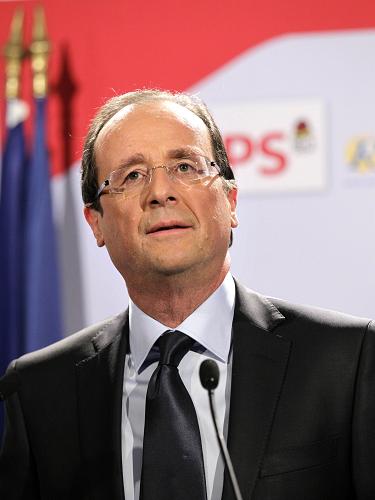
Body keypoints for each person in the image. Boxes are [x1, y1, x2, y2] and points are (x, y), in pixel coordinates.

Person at [0, 89, 374, 500]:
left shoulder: (347, 362)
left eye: (185, 166)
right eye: (132, 176)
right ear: (97, 224)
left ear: (230, 201)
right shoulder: (39, 390)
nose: (161, 192)